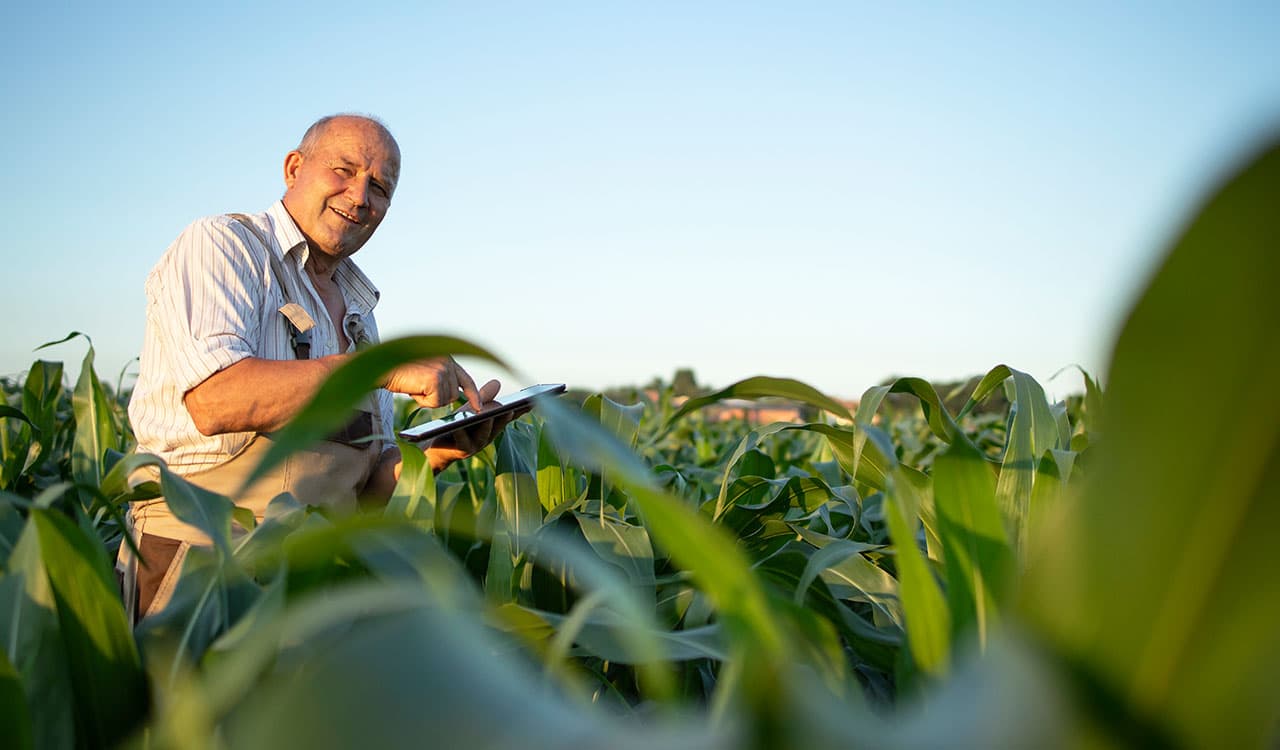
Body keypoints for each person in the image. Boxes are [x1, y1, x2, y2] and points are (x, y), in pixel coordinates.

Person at [123, 114, 509, 621]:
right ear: (293, 167)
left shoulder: (358, 309)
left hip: (313, 579)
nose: (359, 196)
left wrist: (430, 457)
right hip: (207, 563)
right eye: (344, 170)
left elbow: (361, 494)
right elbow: (215, 399)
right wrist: (377, 369)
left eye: (380, 188)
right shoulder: (224, 247)